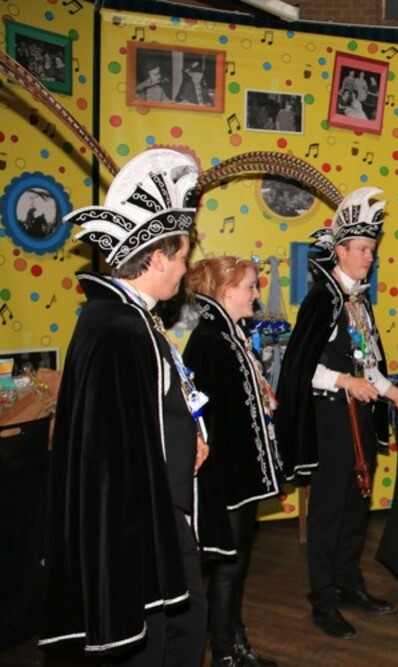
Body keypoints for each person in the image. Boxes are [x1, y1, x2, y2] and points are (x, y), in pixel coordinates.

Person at [38, 149, 210, 664]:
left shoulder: (134, 319)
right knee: (154, 642)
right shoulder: (116, 329)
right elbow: (110, 456)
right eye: (182, 257)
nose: (185, 269)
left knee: (186, 622)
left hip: (160, 513)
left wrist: (190, 438)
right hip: (137, 525)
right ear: (157, 259)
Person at [275, 187, 398, 641]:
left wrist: (393, 394)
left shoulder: (358, 301)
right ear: (339, 250)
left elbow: (367, 366)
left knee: (358, 504)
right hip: (330, 423)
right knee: (328, 511)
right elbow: (301, 368)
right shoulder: (322, 299)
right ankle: (323, 600)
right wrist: (345, 382)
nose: (369, 258)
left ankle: (348, 583)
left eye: (372, 251)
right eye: (361, 249)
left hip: (360, 418)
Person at [184, 257, 283, 667]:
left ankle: (236, 642)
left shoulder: (229, 335)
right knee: (228, 565)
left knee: (237, 564)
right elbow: (205, 419)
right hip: (226, 477)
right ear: (225, 291)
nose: (256, 295)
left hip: (241, 475)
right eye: (250, 287)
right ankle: (225, 653)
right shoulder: (211, 341)